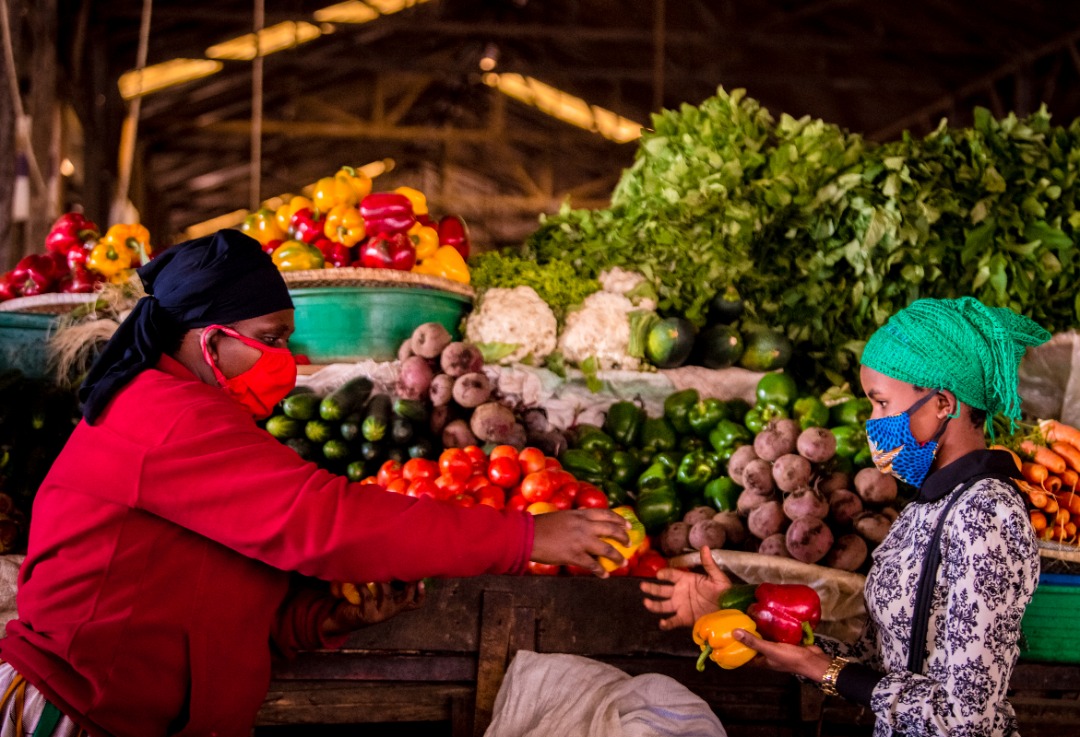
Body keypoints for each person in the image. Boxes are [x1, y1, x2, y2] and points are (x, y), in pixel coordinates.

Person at [0, 229, 631, 737]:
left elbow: (216, 592)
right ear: (205, 340)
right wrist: (525, 536)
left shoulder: (201, 417)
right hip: (72, 714)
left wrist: (323, 617)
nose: (288, 360)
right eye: (270, 339)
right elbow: (323, 523)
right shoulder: (162, 413)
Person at [642, 296, 1050, 737]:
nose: (872, 423)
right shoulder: (927, 506)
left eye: (881, 404)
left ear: (943, 403)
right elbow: (884, 662)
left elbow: (965, 716)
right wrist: (747, 615)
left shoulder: (987, 514)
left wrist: (827, 672)